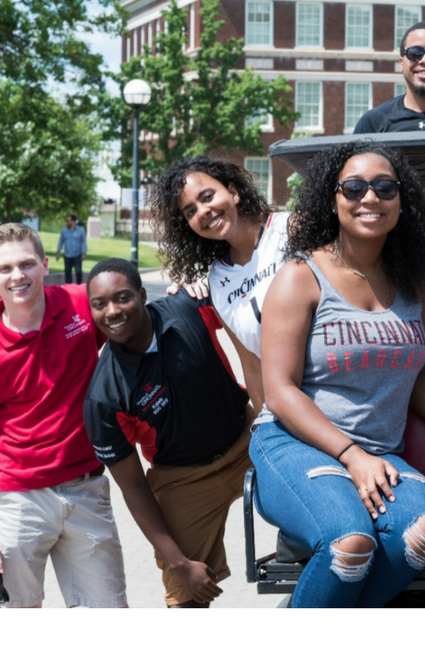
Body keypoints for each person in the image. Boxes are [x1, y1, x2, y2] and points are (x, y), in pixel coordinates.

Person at [252, 140, 425, 607]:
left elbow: (419, 373)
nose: (368, 198)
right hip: (294, 446)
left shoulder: (412, 281)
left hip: (378, 454)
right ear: (332, 200)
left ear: (400, 201)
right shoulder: (301, 276)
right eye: (353, 188)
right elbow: (279, 391)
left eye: (383, 188)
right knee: (350, 544)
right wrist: (351, 456)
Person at [0, 223, 127, 608]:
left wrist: (187, 286)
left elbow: (130, 311)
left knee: (109, 612)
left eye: (27, 264)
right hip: (17, 499)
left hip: (86, 489)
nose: (18, 276)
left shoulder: (81, 304)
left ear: (45, 265)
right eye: (5, 269)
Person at [83, 258, 253, 608]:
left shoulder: (188, 307)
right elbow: (132, 486)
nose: (112, 311)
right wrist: (178, 562)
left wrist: (207, 282)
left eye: (123, 297)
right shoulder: (104, 397)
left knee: (313, 525)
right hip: (182, 478)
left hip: (248, 442)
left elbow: (251, 306)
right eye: (99, 304)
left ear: (143, 294)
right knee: (185, 591)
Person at [152, 156, 288, 412]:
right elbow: (251, 366)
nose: (203, 211)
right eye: (191, 211)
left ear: (233, 192)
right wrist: (267, 431)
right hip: (290, 414)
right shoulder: (218, 282)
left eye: (207, 197)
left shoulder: (291, 231)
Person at [56, 214, 87, 284]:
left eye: (68, 221)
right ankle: (68, 289)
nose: (67, 222)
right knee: (67, 272)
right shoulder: (64, 231)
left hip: (77, 255)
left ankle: (79, 286)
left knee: (78, 272)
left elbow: (83, 242)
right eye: (66, 221)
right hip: (67, 255)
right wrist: (58, 252)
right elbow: (60, 242)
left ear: (73, 221)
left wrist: (84, 253)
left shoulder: (81, 231)